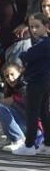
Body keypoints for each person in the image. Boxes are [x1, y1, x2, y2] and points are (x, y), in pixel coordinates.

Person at [15, 13, 50, 156]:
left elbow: (26, 56)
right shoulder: (41, 43)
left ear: (46, 27)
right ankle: (47, 143)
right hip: (44, 80)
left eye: (37, 26)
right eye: (31, 27)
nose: (34, 30)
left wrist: (25, 55)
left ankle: (29, 145)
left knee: (32, 113)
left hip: (37, 81)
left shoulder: (44, 43)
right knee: (43, 112)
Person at [0, 62, 34, 152]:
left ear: (20, 74)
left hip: (36, 129)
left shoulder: (26, 86)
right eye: (7, 76)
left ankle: (19, 140)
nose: (10, 78)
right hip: (27, 125)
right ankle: (11, 138)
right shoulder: (11, 88)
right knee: (1, 108)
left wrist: (14, 99)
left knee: (0, 108)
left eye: (12, 74)